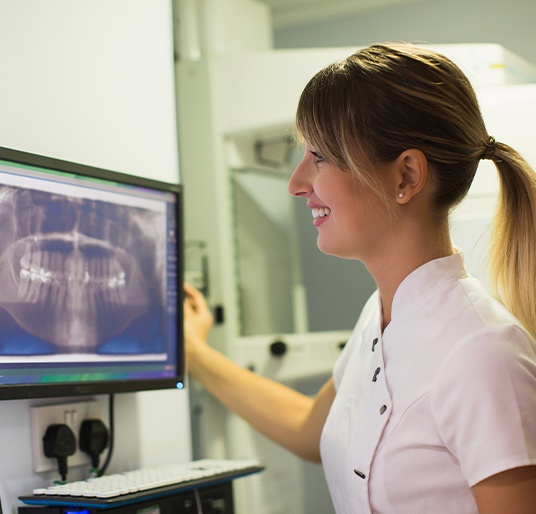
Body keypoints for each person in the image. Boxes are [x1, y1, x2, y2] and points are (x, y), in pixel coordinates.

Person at [183, 42, 536, 514]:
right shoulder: (380, 317)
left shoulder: (482, 353)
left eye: (320, 156)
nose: (296, 182)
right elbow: (309, 429)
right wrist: (196, 354)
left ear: (406, 176)